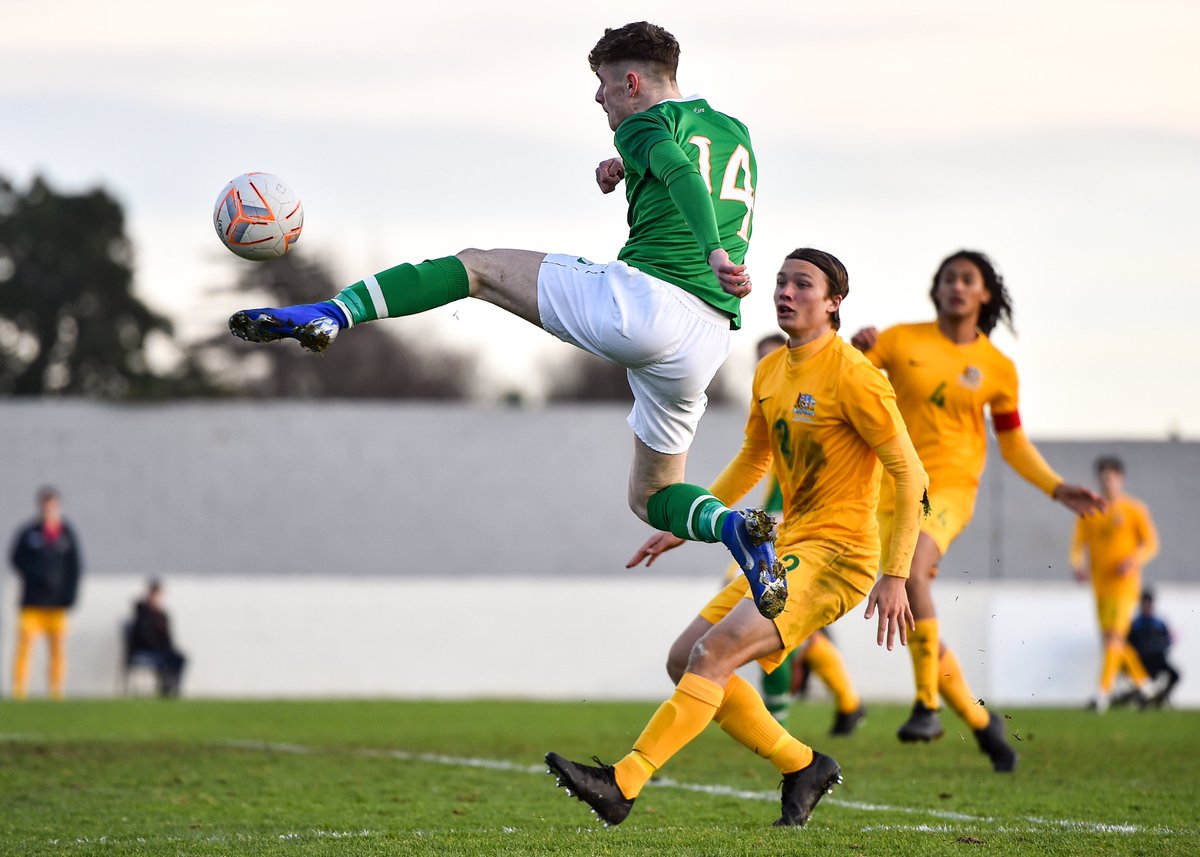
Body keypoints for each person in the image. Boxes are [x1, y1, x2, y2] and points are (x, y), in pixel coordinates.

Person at [227, 22, 789, 618]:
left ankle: (332, 312)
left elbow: (679, 171)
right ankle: (733, 529)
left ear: (631, 81)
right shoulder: (734, 132)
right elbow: (691, 165)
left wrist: (714, 253)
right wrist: (624, 167)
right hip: (706, 339)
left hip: (646, 302)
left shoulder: (647, 124)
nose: (598, 99)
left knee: (476, 268)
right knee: (651, 496)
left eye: (602, 85)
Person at [546, 248, 927, 828]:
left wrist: (896, 573)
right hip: (787, 547)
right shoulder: (771, 370)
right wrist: (692, 524)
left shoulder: (857, 377)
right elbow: (755, 458)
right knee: (684, 660)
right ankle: (804, 765)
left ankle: (624, 781)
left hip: (839, 557)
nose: (787, 292)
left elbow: (911, 474)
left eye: (803, 285)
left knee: (712, 653)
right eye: (781, 282)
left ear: (834, 303)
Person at [851, 250, 1104, 771]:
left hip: (949, 489)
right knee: (915, 598)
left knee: (912, 573)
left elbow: (1012, 444)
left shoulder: (997, 367)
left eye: (968, 279)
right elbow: (848, 385)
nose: (957, 287)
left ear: (985, 293)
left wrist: (1057, 489)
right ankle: (982, 724)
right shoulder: (899, 340)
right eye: (949, 279)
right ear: (936, 289)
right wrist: (856, 352)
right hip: (889, 487)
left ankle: (926, 705)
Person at [728, 333, 865, 734]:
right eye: (762, 364)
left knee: (768, 624)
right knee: (777, 630)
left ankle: (780, 727)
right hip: (776, 533)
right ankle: (847, 704)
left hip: (811, 537)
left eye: (775, 361)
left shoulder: (822, 405)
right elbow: (757, 466)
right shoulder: (774, 418)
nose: (770, 372)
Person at [1070, 455, 1159, 712]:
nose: (1107, 482)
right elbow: (1077, 544)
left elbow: (1151, 544)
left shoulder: (1134, 509)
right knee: (1112, 642)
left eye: (1112, 477)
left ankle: (1102, 695)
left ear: (1120, 479)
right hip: (1100, 585)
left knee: (1114, 639)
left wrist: (1134, 560)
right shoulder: (1090, 510)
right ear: (1098, 479)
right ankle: (1145, 685)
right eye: (1103, 477)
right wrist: (1077, 565)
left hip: (1125, 585)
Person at [9, 486, 82, 700]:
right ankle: (19, 692)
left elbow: (75, 567)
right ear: (40, 507)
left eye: (53, 506)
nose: (50, 510)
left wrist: (70, 595)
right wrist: (36, 574)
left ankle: (55, 693)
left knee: (58, 650)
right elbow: (15, 559)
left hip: (56, 603)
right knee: (25, 647)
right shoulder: (30, 532)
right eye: (46, 506)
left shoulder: (66, 534)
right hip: (32, 602)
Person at [129, 578, 188, 697]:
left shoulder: (162, 614)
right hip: (146, 649)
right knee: (164, 659)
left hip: (161, 649)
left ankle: (172, 686)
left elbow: (167, 636)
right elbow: (144, 634)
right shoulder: (143, 612)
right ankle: (166, 686)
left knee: (179, 658)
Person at [1127, 589, 1180, 708]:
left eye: (1149, 603)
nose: (1147, 607)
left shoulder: (1159, 623)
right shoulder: (1136, 624)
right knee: (1146, 684)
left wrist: (1163, 646)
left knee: (1175, 675)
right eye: (1144, 603)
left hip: (1158, 659)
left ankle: (1162, 696)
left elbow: (1167, 640)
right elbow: (1129, 644)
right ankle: (1144, 699)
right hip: (1143, 661)